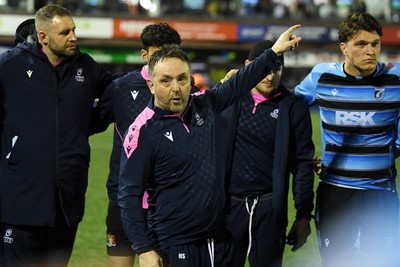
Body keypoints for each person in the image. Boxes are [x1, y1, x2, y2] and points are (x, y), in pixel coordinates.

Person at [118, 25, 302, 267]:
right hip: (173, 242)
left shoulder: (204, 105)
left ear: (190, 80)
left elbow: (240, 83)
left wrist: (274, 51)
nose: (176, 87)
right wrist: (144, 249)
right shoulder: (142, 131)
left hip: (216, 238)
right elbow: (129, 196)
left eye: (182, 79)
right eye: (166, 80)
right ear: (151, 85)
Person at [0, 4, 112, 267]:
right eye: (65, 32)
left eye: (74, 30)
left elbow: (113, 94)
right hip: (20, 204)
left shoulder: (86, 66)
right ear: (43, 37)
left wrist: (84, 123)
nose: (73, 37)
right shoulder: (10, 66)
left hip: (67, 204)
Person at [294, 12, 400, 267]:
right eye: (361, 44)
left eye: (375, 44)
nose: (370, 50)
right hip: (336, 194)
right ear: (344, 48)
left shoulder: (396, 79)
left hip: (381, 194)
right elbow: (288, 109)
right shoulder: (321, 77)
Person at [217, 40, 315, 267]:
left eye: (277, 69)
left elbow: (302, 165)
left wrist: (303, 216)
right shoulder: (228, 99)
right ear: (249, 65)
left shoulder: (293, 107)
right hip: (228, 210)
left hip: (269, 211)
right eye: (265, 68)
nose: (271, 76)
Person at [93, 22, 182, 267]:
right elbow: (91, 123)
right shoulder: (120, 88)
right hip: (124, 198)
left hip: (167, 201)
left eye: (171, 54)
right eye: (158, 54)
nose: (165, 61)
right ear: (144, 55)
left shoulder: (185, 91)